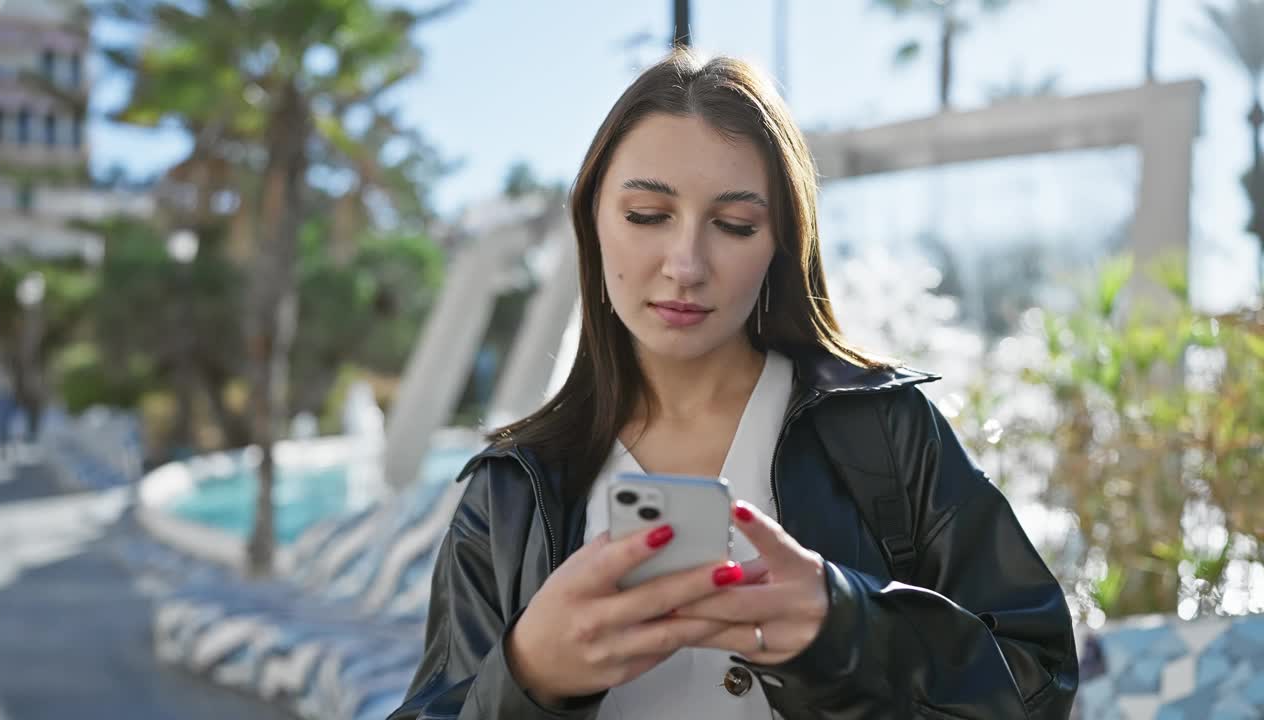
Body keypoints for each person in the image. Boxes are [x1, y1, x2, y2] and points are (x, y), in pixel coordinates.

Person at [389, 48, 1077, 720]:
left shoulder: (886, 431)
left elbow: (1039, 681)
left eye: (734, 225)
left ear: (781, 243)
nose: (686, 264)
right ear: (592, 222)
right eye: (647, 216)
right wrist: (528, 673)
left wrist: (845, 625)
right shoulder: (512, 488)